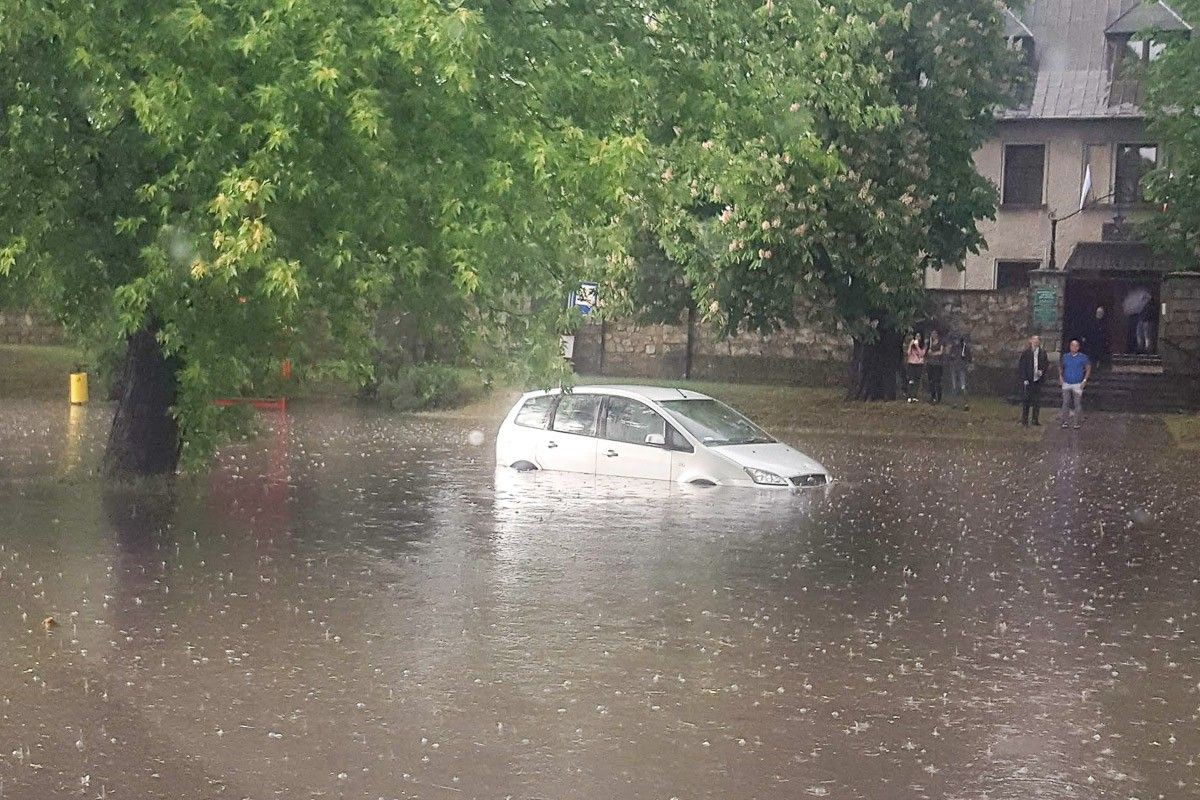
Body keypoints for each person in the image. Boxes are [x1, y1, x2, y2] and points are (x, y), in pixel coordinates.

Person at [1060, 338, 1092, 429]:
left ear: (1078, 347)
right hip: (1066, 382)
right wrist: (1060, 377)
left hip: (1078, 383)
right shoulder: (1065, 356)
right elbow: (1061, 367)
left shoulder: (1083, 357)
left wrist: (1085, 380)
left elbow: (1088, 368)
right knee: (1065, 402)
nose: (1074, 347)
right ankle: (1065, 421)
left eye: (1075, 346)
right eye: (1072, 345)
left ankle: (1076, 422)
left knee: (1077, 403)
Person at [1017, 334, 1049, 426]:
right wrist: (1024, 378)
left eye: (1037, 340)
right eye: (1034, 340)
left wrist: (1041, 371)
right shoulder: (1026, 353)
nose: (1036, 342)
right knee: (1026, 400)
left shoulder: (1042, 353)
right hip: (1028, 380)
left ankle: (1035, 420)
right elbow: (1022, 366)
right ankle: (1025, 420)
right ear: (1030, 341)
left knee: (1036, 401)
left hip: (1037, 380)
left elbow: (1046, 364)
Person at [946, 333, 972, 410]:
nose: (956, 341)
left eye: (957, 340)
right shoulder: (954, 348)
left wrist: (965, 361)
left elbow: (969, 358)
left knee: (962, 386)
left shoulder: (965, 348)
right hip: (954, 368)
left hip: (961, 369)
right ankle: (955, 403)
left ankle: (966, 404)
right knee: (954, 386)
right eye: (955, 340)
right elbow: (950, 357)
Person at [1123, 286, 1151, 354]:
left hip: (1140, 316)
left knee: (1141, 333)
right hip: (1133, 316)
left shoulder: (1143, 293)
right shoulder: (1131, 295)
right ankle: (1133, 348)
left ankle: (1141, 349)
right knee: (1133, 333)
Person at [904, 333, 926, 403]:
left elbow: (921, 354)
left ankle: (914, 396)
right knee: (911, 380)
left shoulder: (923, 345)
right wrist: (911, 345)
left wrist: (917, 346)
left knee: (917, 380)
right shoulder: (912, 344)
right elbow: (908, 353)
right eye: (916, 336)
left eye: (919, 336)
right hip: (911, 364)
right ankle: (909, 396)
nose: (917, 338)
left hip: (919, 364)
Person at [925, 330, 945, 404]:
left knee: (937, 381)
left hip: (938, 364)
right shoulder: (929, 343)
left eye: (934, 333)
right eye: (932, 333)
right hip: (930, 364)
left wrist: (933, 354)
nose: (933, 335)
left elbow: (941, 352)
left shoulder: (940, 342)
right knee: (931, 381)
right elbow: (926, 352)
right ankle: (932, 396)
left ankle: (938, 397)